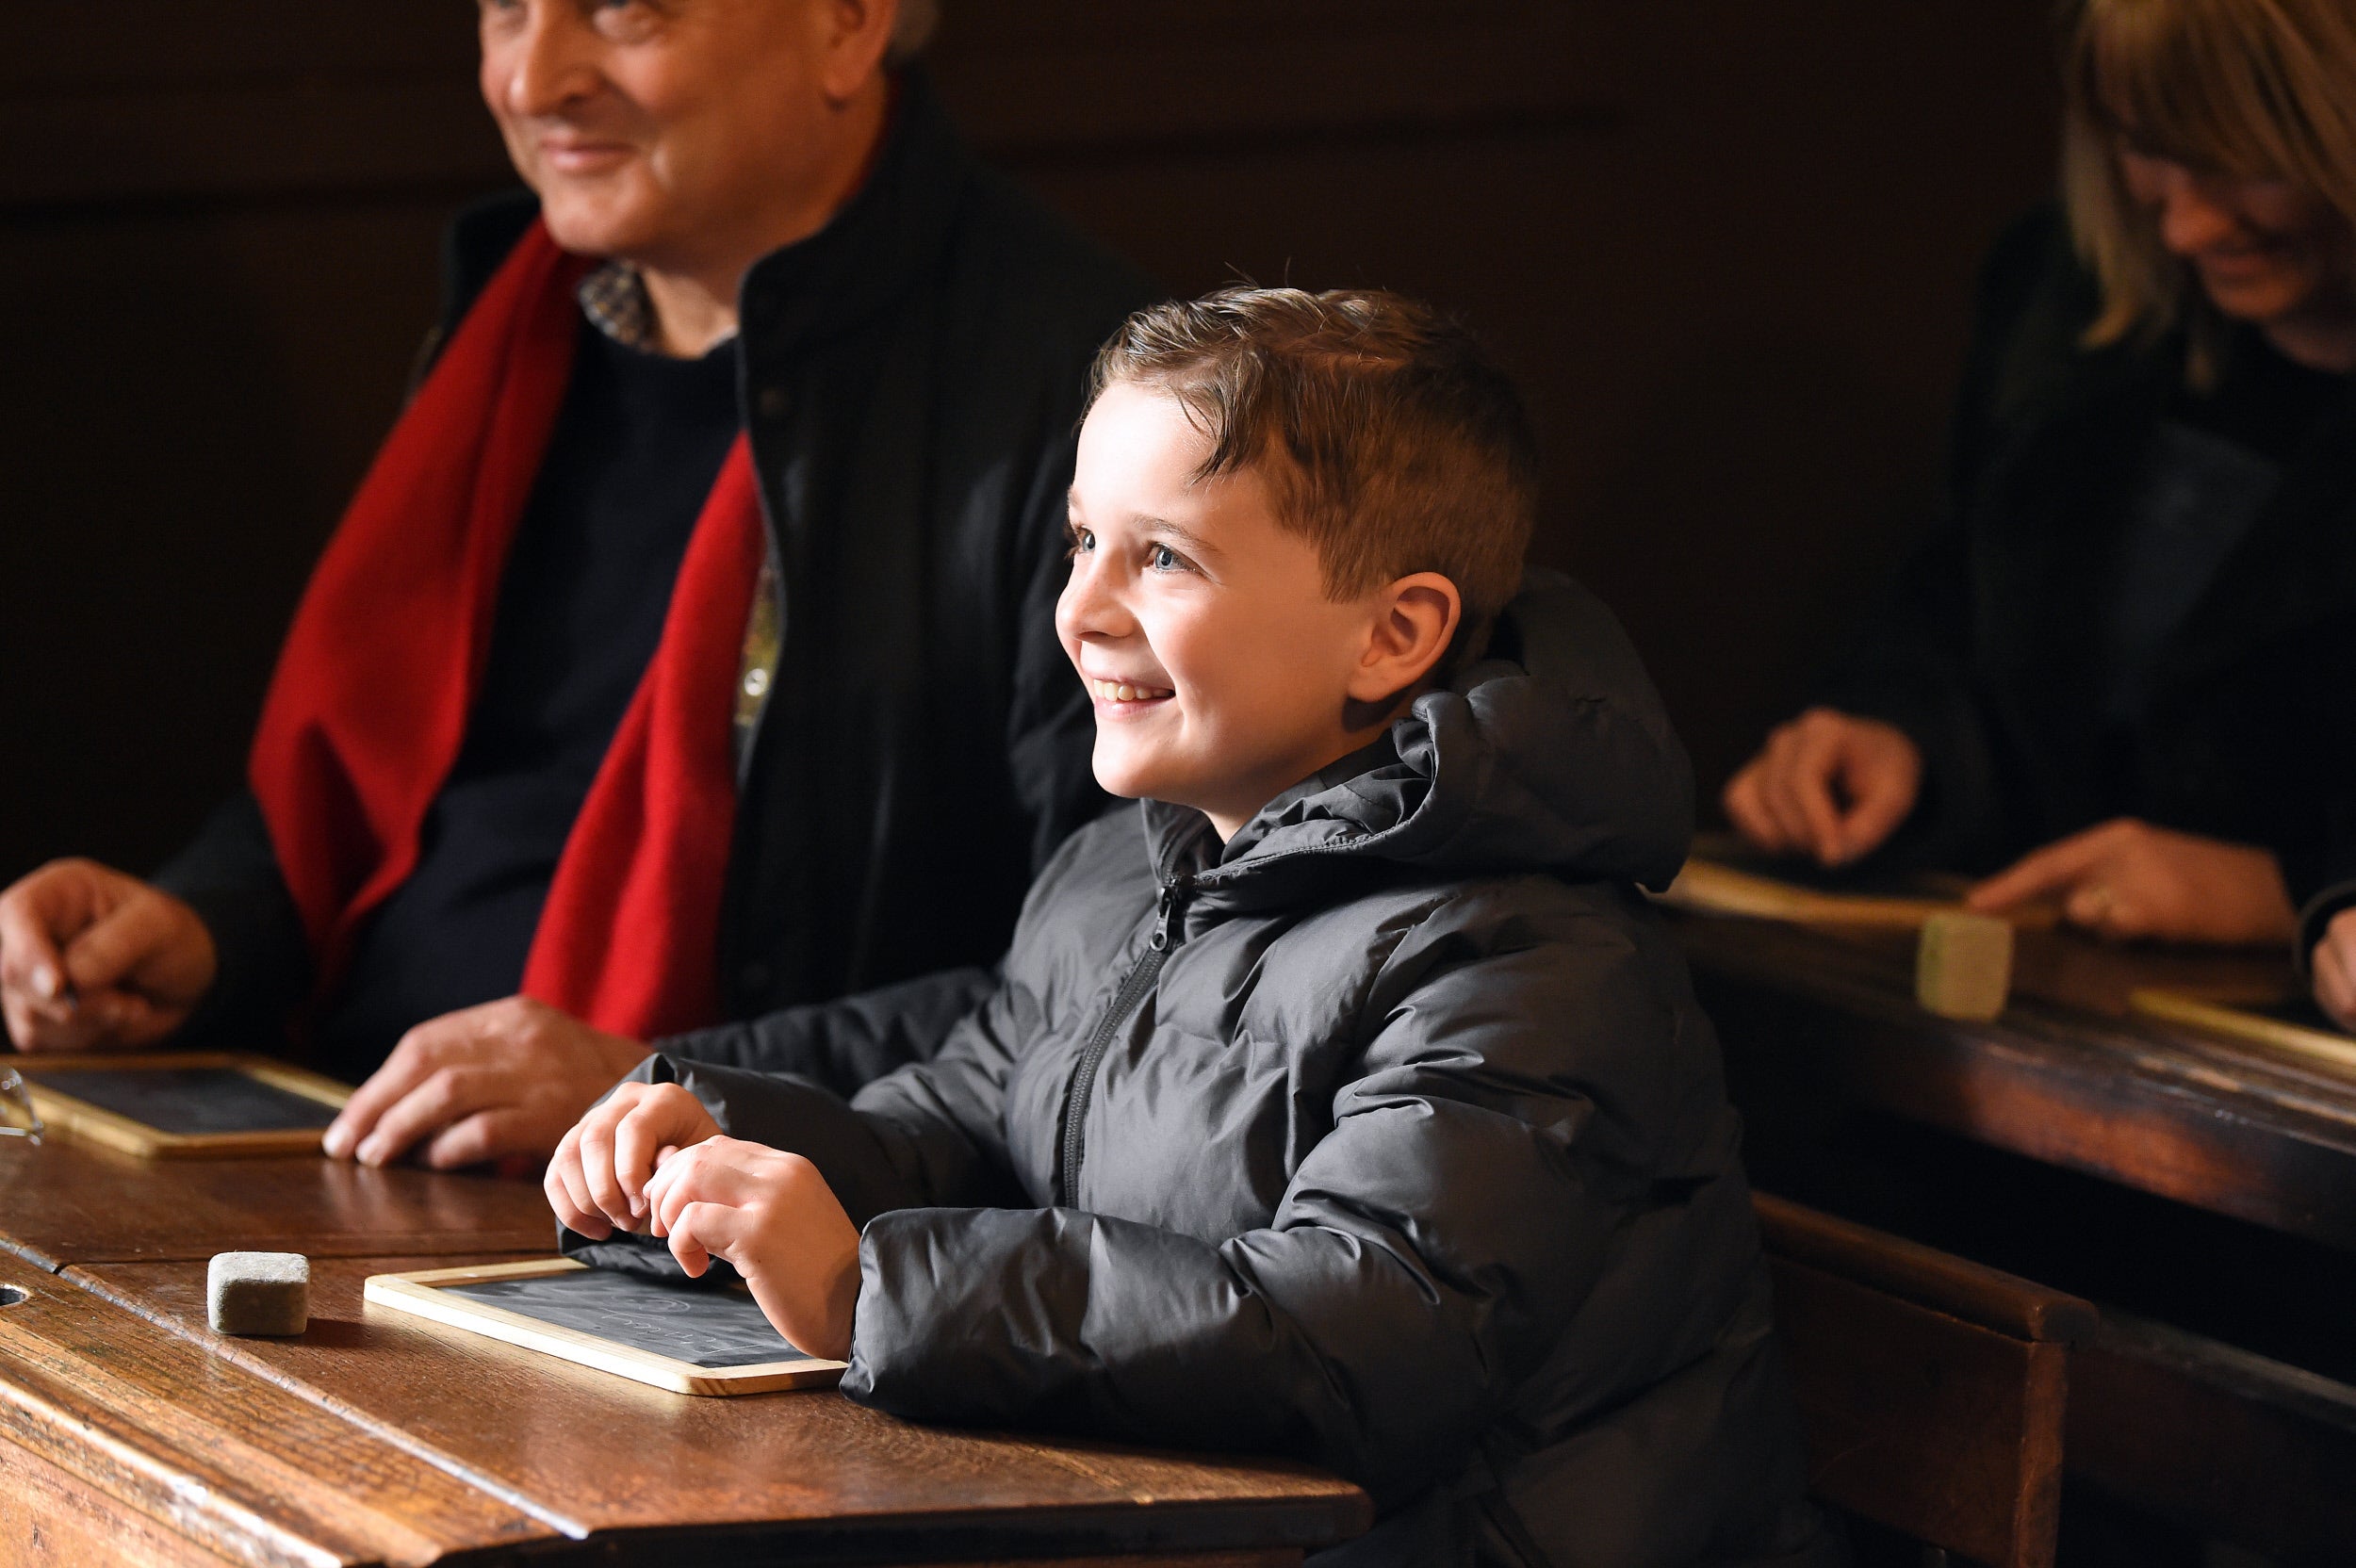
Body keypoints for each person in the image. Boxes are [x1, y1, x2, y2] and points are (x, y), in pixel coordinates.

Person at [546, 289, 1830, 1567]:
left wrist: (871, 1292)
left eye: (1163, 557)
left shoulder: (1526, 960)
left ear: (1394, 633)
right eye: (1079, 543)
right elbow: (973, 1127)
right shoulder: (1126, 866)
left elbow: (1348, 1343)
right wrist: (717, 1161)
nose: (1084, 609)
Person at [0, 0, 1154, 1168]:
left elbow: (1123, 974)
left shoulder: (1093, 404)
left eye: (621, 12)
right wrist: (207, 930)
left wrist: (670, 1079)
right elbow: (393, 791)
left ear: (848, 27)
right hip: (328, 1124)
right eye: (505, 11)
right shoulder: (514, 317)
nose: (531, 79)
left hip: (686, 1229)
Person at [1722, 0, 2356, 954]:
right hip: (2033, 996)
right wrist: (1895, 739)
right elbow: (1954, 618)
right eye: (2146, 148)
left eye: (2246, 162)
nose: (2183, 226)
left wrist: (2283, 892)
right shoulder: (2064, 299)